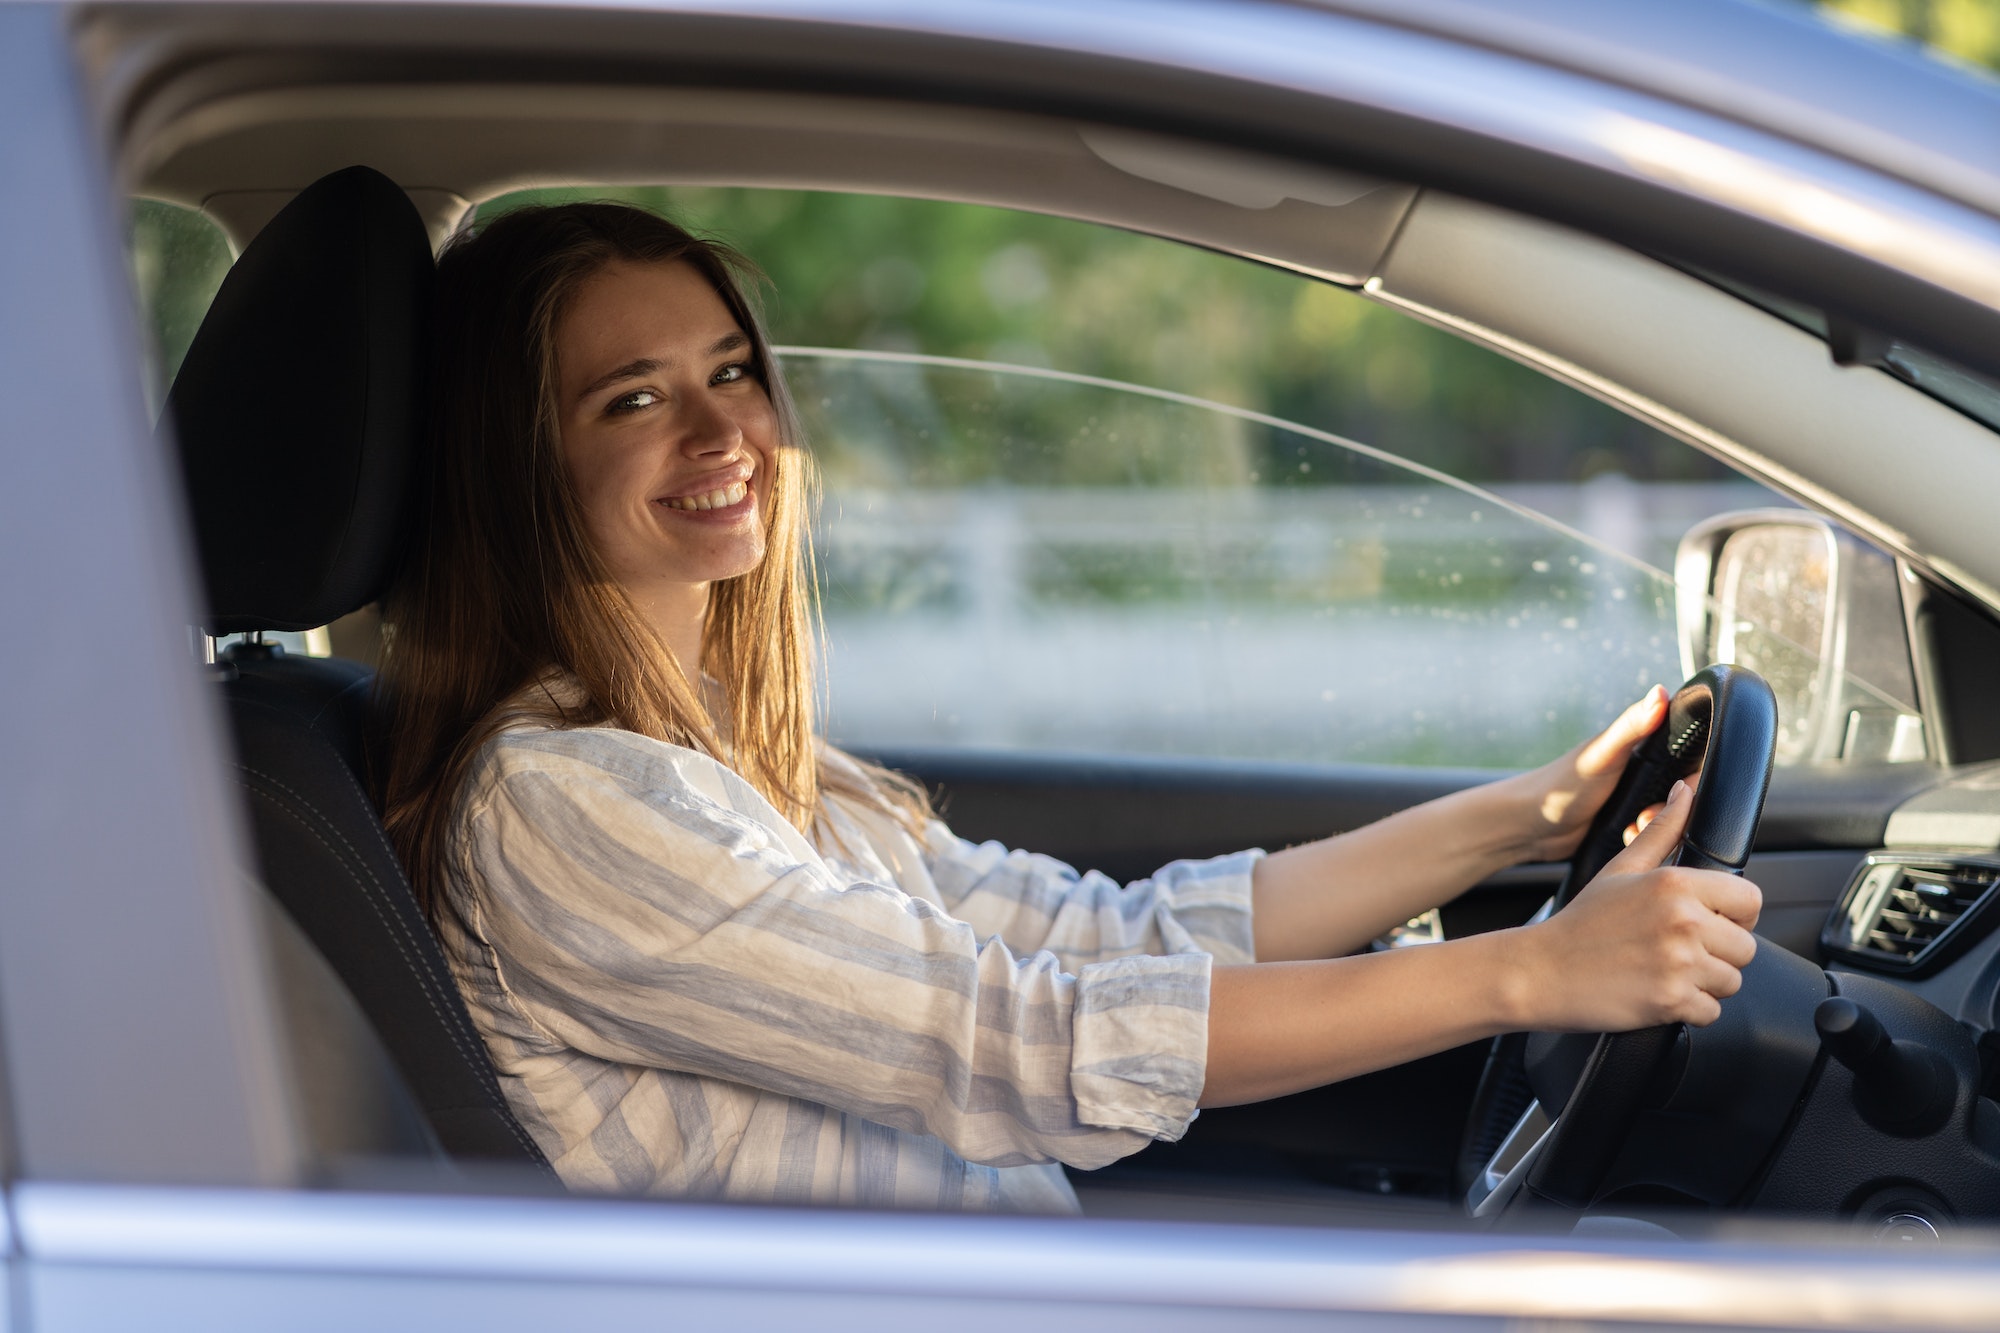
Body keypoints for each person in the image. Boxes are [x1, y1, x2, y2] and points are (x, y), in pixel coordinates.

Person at [378, 202, 1761, 1212]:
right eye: (634, 399)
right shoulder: (563, 805)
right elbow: (1017, 1045)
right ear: (520, 467)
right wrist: (1526, 972)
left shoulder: (721, 744)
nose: (724, 431)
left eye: (733, 370)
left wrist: (1535, 811)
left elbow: (1110, 937)